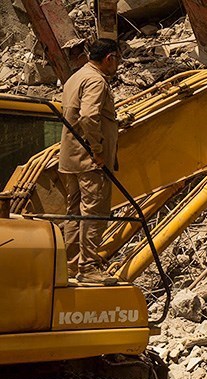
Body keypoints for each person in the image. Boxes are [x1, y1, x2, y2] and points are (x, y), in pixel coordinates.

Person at [58, 38, 121, 285]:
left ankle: (71, 265)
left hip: (70, 159)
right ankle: (89, 267)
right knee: (94, 212)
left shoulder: (76, 77)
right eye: (117, 59)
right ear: (109, 59)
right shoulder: (96, 80)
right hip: (88, 161)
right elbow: (88, 116)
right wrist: (98, 150)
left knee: (73, 213)